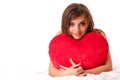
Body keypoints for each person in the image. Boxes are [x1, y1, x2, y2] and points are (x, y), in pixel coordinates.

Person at [48, 3, 112, 77]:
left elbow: (108, 66)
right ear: (65, 24)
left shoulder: (98, 36)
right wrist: (68, 73)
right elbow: (51, 70)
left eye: (82, 24)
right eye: (71, 24)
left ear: (88, 23)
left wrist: (86, 71)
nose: (77, 30)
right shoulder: (59, 38)